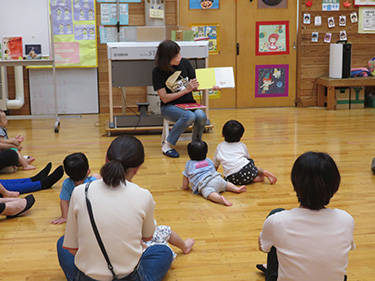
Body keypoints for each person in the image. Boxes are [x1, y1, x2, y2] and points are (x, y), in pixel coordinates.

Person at [58, 135, 173, 281]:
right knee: (163, 252)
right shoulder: (143, 195)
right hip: (128, 277)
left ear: (106, 159)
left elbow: (73, 249)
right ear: (137, 168)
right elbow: (147, 236)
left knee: (62, 242)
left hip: (87, 277)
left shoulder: (80, 192)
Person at [257, 152, 355, 281]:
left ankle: (274, 268)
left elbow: (263, 247)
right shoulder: (346, 219)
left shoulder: (278, 220)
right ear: (335, 185)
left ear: (295, 183)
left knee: (277, 214)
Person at [152, 39, 219, 158]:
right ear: (167, 58)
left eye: (179, 53)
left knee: (201, 116)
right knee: (189, 116)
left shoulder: (185, 63)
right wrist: (185, 90)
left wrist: (211, 86)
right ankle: (167, 144)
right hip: (169, 107)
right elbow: (165, 98)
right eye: (176, 55)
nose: (180, 57)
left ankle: (196, 144)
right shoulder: (157, 72)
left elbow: (195, 86)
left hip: (189, 105)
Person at [181, 140, 247, 206]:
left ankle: (219, 199)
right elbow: (213, 170)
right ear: (206, 152)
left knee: (209, 193)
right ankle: (236, 188)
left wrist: (185, 187)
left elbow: (185, 177)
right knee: (226, 184)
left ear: (189, 154)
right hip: (217, 178)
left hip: (205, 183)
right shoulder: (208, 160)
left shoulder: (189, 164)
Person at [213, 120, 277, 185]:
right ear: (241, 136)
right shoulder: (242, 145)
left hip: (233, 177)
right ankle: (263, 172)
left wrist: (212, 175)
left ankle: (254, 179)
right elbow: (247, 158)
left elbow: (215, 165)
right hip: (249, 170)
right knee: (251, 165)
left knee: (226, 179)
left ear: (222, 135)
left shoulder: (220, 147)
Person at [52, 152, 100, 225]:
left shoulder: (67, 183)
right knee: (96, 175)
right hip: (93, 211)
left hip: (77, 210)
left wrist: (64, 217)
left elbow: (64, 201)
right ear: (88, 171)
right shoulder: (93, 181)